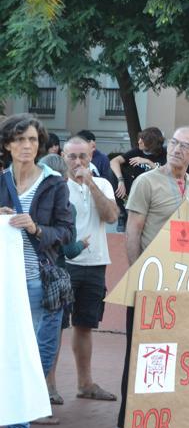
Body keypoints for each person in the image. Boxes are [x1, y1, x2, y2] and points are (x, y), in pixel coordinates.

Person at [115, 126, 189, 428]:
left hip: (181, 286)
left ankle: (163, 417)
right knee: (139, 352)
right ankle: (126, 422)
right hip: (149, 284)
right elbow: (133, 231)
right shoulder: (146, 181)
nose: (177, 149)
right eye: (174, 143)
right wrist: (139, 276)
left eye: (185, 146)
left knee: (172, 353)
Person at [0, 114, 73, 428]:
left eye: (31, 139)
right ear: (7, 145)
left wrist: (36, 228)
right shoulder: (1, 181)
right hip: (4, 283)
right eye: (19, 140)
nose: (26, 146)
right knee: (7, 357)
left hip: (36, 282)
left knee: (30, 358)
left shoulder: (54, 183)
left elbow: (66, 232)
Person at [61, 136, 120, 403]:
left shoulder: (104, 183)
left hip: (95, 263)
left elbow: (110, 216)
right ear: (63, 157)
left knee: (85, 325)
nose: (77, 162)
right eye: (72, 156)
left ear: (91, 156)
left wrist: (91, 183)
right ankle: (49, 388)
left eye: (82, 156)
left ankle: (85, 384)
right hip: (64, 265)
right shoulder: (58, 186)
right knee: (55, 326)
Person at [36, 154, 85, 414]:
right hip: (53, 279)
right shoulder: (67, 206)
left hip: (30, 276)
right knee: (49, 338)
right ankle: (41, 395)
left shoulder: (25, 200)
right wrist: (83, 244)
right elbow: (70, 249)